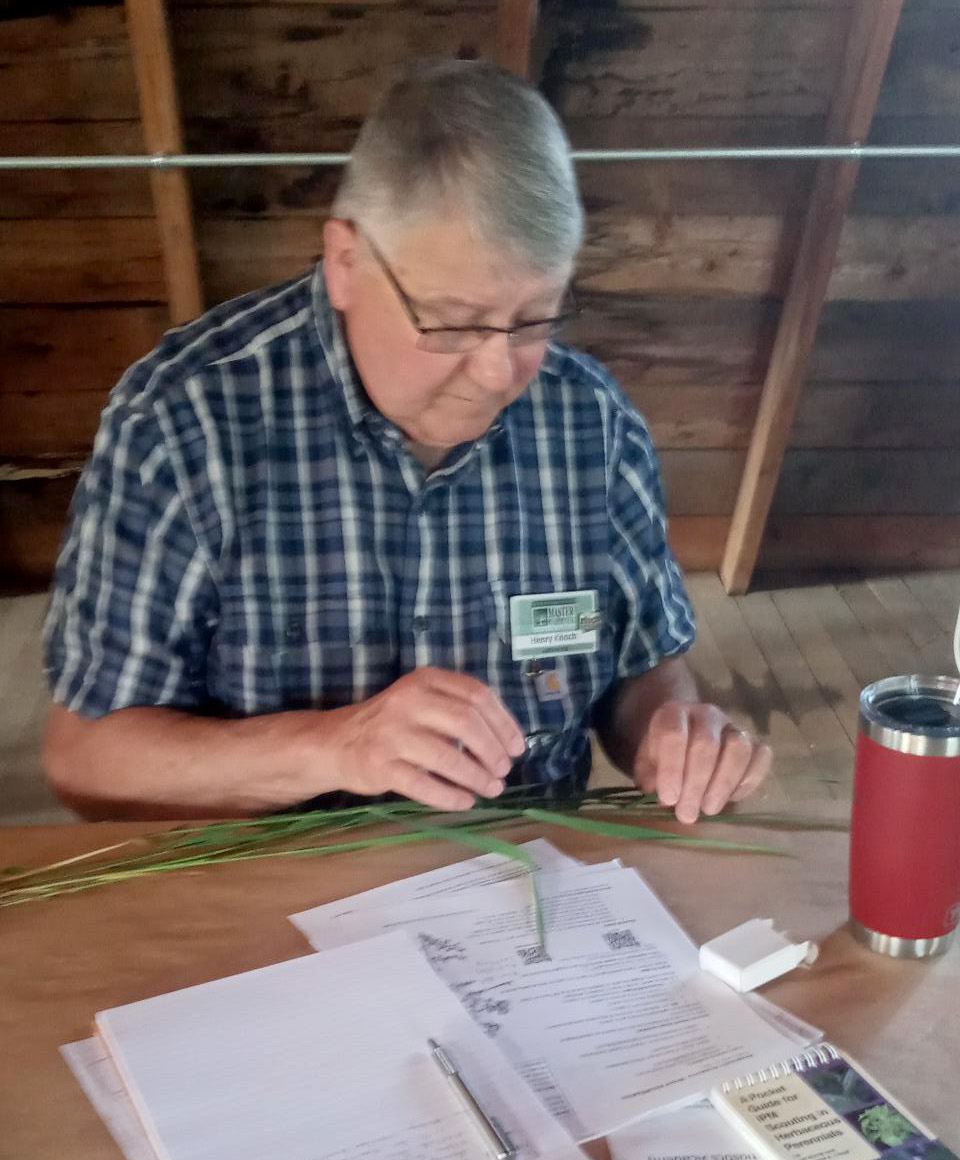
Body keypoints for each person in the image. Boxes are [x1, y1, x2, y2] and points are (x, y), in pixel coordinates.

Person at [43, 60, 771, 821]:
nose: (498, 372)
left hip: (528, 891)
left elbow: (640, 671)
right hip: (269, 891)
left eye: (534, 318)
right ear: (346, 263)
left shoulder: (593, 420)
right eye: (453, 321)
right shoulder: (184, 421)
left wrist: (672, 733)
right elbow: (86, 758)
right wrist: (334, 746)